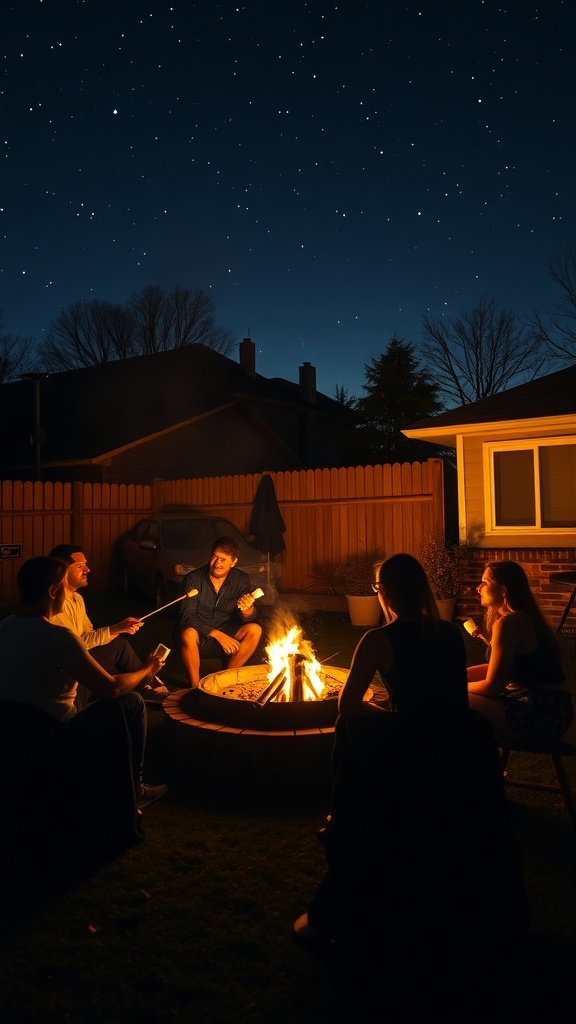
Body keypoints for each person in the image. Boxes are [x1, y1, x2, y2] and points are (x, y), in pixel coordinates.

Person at [294, 553, 528, 978]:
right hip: (458, 746)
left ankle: (341, 823)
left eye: (379, 587)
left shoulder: (378, 640)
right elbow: (451, 695)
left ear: (386, 593)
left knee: (352, 730)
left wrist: (386, 714)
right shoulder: (451, 633)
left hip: (410, 752)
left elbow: (347, 706)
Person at [0, 556, 167, 857]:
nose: (69, 594)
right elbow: (111, 687)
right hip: (55, 733)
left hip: (14, 728)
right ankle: (135, 790)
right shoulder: (58, 637)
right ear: (53, 592)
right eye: (65, 587)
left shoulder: (6, 626)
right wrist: (147, 671)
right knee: (131, 702)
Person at [467, 559, 574, 745]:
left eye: (485, 582)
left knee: (449, 698)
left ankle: (469, 766)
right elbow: (498, 668)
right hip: (555, 708)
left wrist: (454, 685)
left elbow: (493, 686)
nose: (478, 587)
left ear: (503, 589)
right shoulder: (522, 617)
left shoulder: (509, 623)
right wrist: (457, 676)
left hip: (539, 713)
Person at [49, 544, 168, 704]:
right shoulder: (56, 605)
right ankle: (143, 682)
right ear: (61, 570)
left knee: (119, 644)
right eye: (79, 566)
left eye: (86, 564)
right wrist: (114, 629)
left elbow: (87, 634)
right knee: (118, 649)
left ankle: (144, 685)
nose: (87, 570)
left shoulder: (77, 599)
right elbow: (76, 646)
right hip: (70, 667)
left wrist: (117, 629)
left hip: (81, 654)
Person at [178, 536, 262, 688]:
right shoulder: (194, 579)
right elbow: (187, 617)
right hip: (200, 635)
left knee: (255, 629)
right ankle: (195, 687)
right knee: (187, 633)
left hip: (228, 632)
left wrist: (247, 610)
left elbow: (250, 619)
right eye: (215, 557)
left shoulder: (240, 580)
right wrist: (216, 634)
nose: (217, 563)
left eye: (223, 559)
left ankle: (225, 680)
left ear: (233, 562)